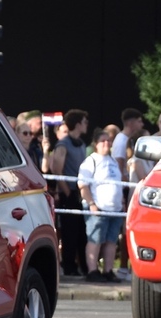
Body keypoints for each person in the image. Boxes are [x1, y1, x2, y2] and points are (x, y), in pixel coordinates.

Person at [77, 131, 124, 282]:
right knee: (95, 240)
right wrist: (91, 204)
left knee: (111, 241)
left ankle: (108, 271)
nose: (106, 143)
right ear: (95, 144)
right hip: (98, 207)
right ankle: (92, 271)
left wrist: (122, 202)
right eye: (103, 141)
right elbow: (83, 185)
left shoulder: (113, 161)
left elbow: (118, 183)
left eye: (108, 140)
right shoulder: (91, 161)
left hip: (115, 209)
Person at [48, 108, 89, 278]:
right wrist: (67, 192)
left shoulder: (81, 143)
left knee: (81, 232)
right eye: (84, 122)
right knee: (69, 232)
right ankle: (69, 266)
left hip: (80, 192)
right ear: (78, 124)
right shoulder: (63, 144)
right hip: (69, 193)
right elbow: (57, 169)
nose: (87, 124)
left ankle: (84, 266)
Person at [112, 108, 144, 179]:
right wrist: (126, 182)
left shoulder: (129, 139)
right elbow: (119, 168)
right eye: (139, 121)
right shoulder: (121, 141)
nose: (142, 124)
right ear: (130, 123)